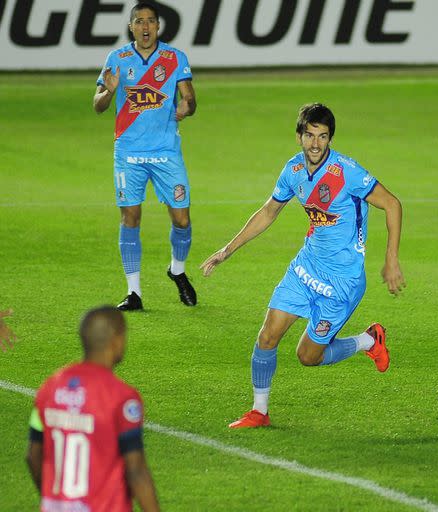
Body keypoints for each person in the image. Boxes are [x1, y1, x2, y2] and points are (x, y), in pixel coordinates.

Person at [201, 103, 405, 428]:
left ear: (330, 139)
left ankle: (369, 341)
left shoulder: (347, 173)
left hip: (342, 283)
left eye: (322, 136)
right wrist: (228, 249)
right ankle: (259, 411)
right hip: (306, 268)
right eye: (309, 135)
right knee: (267, 336)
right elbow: (268, 212)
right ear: (299, 136)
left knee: (308, 357)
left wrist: (391, 258)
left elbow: (392, 204)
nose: (315, 143)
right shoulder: (293, 171)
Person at [93, 1, 197, 311]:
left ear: (158, 26)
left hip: (165, 152)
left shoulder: (174, 58)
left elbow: (190, 98)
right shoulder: (117, 58)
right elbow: (97, 105)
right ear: (131, 27)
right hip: (128, 152)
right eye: (139, 21)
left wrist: (186, 106)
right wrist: (109, 91)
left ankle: (177, 270)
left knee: (182, 218)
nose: (146, 26)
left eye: (151, 21)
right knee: (130, 217)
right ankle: (134, 292)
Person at [26, 306, 160, 512]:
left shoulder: (49, 388)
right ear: (115, 340)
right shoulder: (122, 398)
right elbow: (136, 472)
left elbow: (33, 456)